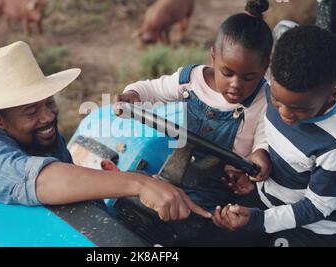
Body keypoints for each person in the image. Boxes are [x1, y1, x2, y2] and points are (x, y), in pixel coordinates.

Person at [0, 41, 211, 223]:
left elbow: (70, 191)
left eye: (49, 102)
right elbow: (37, 181)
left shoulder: (41, 135)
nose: (47, 116)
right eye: (31, 111)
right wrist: (139, 184)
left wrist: (125, 185)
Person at [115, 0, 274, 210]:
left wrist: (260, 155)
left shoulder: (264, 98)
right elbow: (152, 89)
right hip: (178, 168)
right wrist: (134, 94)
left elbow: (265, 136)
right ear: (214, 56)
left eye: (249, 77)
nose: (236, 84)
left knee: (185, 217)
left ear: (265, 67)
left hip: (223, 183)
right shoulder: (190, 80)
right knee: (132, 202)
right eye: (227, 73)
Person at [211, 25, 336, 247]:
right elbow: (271, 136)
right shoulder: (272, 89)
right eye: (278, 101)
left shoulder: (334, 144)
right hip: (268, 201)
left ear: (332, 96)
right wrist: (260, 153)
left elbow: (318, 207)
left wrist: (258, 220)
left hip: (313, 228)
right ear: (271, 75)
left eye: (299, 108)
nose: (284, 113)